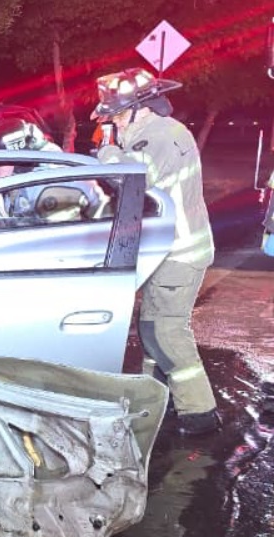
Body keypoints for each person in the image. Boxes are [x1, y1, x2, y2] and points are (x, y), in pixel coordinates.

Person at [93, 67, 218, 435]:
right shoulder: (163, 131)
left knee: (165, 331)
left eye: (116, 114)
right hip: (171, 250)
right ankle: (155, 402)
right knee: (151, 329)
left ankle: (199, 413)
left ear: (137, 107)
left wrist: (107, 151)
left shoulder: (156, 137)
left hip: (179, 251)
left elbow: (134, 178)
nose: (112, 120)